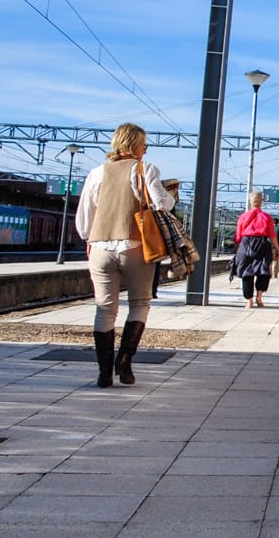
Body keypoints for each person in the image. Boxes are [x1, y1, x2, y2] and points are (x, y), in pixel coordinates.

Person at [73, 123, 174, 388]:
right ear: (133, 145)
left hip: (100, 249)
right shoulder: (145, 169)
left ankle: (104, 372)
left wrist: (89, 239)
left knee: (105, 308)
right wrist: (171, 196)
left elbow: (84, 217)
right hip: (136, 248)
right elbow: (162, 204)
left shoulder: (96, 173)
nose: (145, 149)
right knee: (140, 303)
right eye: (143, 144)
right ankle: (125, 361)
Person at [233, 191, 279, 308]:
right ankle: (259, 297)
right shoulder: (267, 217)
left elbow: (238, 236)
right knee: (263, 271)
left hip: (246, 243)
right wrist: (277, 248)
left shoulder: (243, 217)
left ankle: (249, 301)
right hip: (262, 243)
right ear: (261, 202)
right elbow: (272, 235)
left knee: (246, 272)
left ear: (250, 201)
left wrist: (239, 247)